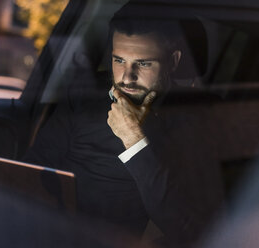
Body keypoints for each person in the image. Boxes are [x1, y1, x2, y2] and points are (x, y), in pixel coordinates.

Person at [23, 2, 224, 246]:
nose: (127, 78)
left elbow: (187, 227)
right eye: (119, 61)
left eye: (144, 63)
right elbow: (33, 170)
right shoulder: (84, 96)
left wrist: (135, 139)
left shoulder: (195, 119)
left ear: (173, 61)